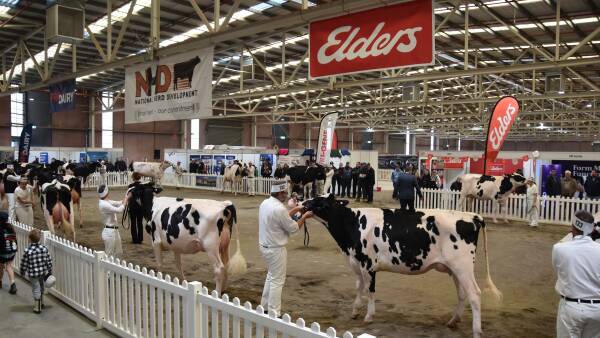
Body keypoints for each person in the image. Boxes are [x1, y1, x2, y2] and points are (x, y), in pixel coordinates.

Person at [258, 182, 313, 317]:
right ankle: (274, 313)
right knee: (277, 280)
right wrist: (304, 216)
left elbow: (280, 219)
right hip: (275, 249)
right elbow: (293, 228)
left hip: (264, 246)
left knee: (271, 277)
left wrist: (295, 210)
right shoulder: (279, 209)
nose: (287, 196)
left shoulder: (265, 203)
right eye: (285, 193)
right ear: (279, 193)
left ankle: (264, 307)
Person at [552, 210, 600, 337]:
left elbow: (559, 271)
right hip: (597, 309)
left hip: (571, 307)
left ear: (573, 227)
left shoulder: (559, 248)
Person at [20, 229, 53, 314]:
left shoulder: (28, 250)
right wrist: (49, 269)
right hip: (42, 272)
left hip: (33, 274)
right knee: (41, 286)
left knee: (36, 288)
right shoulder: (44, 249)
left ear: (30, 239)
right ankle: (41, 303)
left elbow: (24, 262)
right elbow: (49, 260)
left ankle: (37, 308)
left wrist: (22, 271)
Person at [98, 184, 127, 257]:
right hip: (109, 232)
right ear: (107, 192)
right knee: (109, 255)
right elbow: (119, 210)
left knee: (118, 253)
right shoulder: (104, 204)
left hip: (114, 231)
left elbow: (118, 203)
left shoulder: (106, 201)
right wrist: (125, 201)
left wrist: (126, 198)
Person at [0, 212, 17, 295]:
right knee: (9, 267)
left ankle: (0, 281)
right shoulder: (10, 227)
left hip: (2, 252)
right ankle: (13, 284)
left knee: (1, 266)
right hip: (12, 251)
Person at [127, 173, 144, 244]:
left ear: (133, 178)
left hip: (133, 206)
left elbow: (128, 197)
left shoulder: (131, 186)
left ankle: (135, 239)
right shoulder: (143, 186)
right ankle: (140, 239)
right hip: (140, 207)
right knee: (140, 223)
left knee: (133, 223)